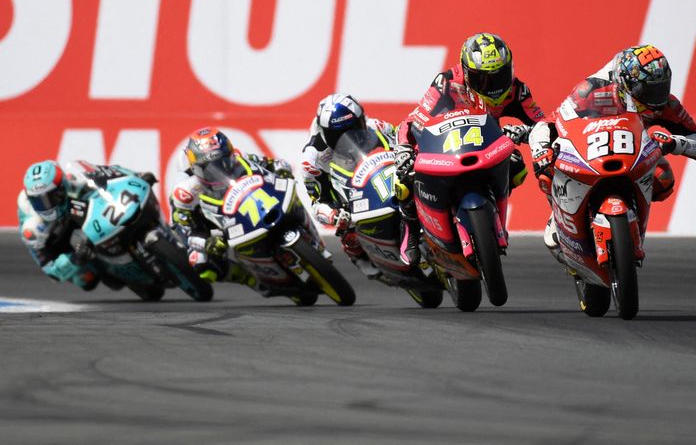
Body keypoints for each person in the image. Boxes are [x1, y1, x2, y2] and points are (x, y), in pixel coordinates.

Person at [528, 44, 696, 261]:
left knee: (664, 179)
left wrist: (675, 143)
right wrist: (541, 150)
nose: (655, 97)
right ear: (625, 84)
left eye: (660, 88)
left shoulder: (666, 104)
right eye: (646, 90)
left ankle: (631, 218)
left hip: (633, 152)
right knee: (547, 170)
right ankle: (559, 216)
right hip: (592, 150)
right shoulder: (593, 91)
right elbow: (548, 123)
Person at [394, 32, 545, 265]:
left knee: (517, 166)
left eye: (500, 76)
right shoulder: (445, 84)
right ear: (466, 72)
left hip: (489, 146)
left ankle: (492, 207)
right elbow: (412, 120)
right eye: (482, 79)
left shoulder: (516, 90)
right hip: (447, 147)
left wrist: (526, 132)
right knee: (405, 178)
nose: (493, 86)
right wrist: (404, 148)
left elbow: (542, 123)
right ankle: (411, 230)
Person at [169, 127, 294, 289]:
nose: (218, 169)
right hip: (207, 221)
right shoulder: (185, 191)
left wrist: (282, 171)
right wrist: (205, 243)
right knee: (200, 262)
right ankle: (251, 280)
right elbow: (184, 230)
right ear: (196, 169)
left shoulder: (240, 158)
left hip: (244, 201)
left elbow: (274, 164)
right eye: (209, 168)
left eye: (223, 161)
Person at [17, 160, 156, 290]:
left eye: (51, 197)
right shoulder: (32, 229)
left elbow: (109, 172)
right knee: (86, 280)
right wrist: (75, 258)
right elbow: (51, 272)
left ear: (62, 187)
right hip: (61, 245)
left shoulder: (72, 181)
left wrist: (137, 175)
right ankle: (111, 269)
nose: (47, 206)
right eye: (39, 202)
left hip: (75, 217)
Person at [300, 93, 396, 278]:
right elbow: (317, 202)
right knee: (349, 235)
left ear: (361, 120)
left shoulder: (377, 127)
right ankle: (368, 264)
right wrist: (334, 216)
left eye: (353, 128)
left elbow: (404, 142)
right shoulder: (312, 159)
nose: (349, 137)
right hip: (350, 198)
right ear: (325, 133)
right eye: (337, 135)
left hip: (385, 179)